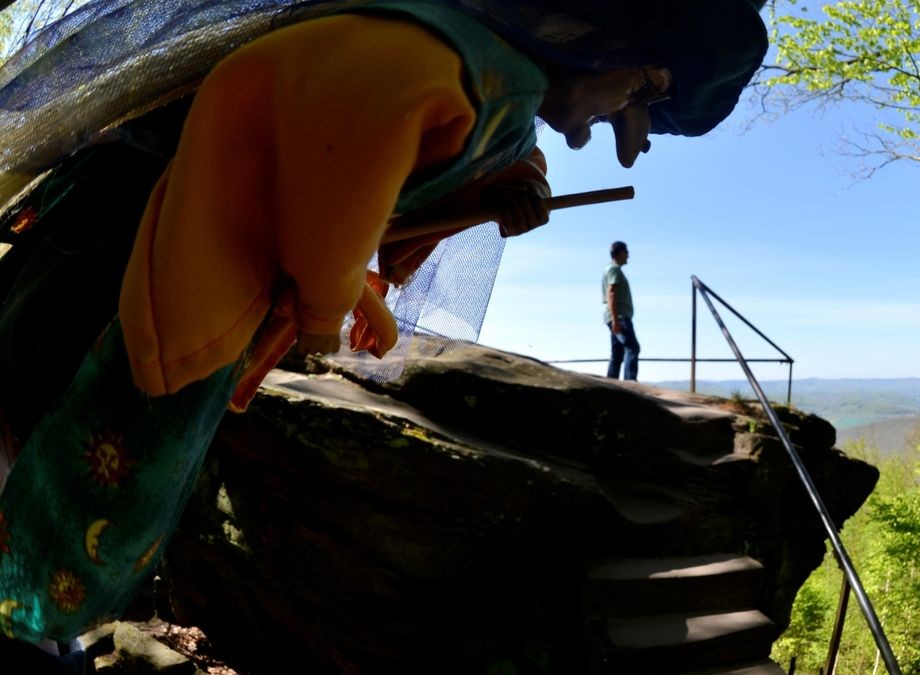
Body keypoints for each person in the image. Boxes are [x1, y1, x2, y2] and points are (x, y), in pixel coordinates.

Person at [0, 0, 768, 665]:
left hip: (134, 245)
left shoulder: (477, 62)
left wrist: (479, 198)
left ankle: (34, 623)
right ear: (636, 65)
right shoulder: (480, 71)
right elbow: (340, 166)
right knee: (61, 459)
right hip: (136, 264)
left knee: (41, 442)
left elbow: (358, 179)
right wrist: (326, 308)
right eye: (628, 108)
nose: (603, 136)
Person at [604, 240, 639, 381]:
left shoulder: (611, 269)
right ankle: (630, 385)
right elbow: (611, 293)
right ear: (619, 253)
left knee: (617, 353)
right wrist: (615, 319)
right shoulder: (614, 270)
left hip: (615, 316)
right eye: (626, 252)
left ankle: (610, 387)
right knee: (632, 348)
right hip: (619, 316)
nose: (628, 256)